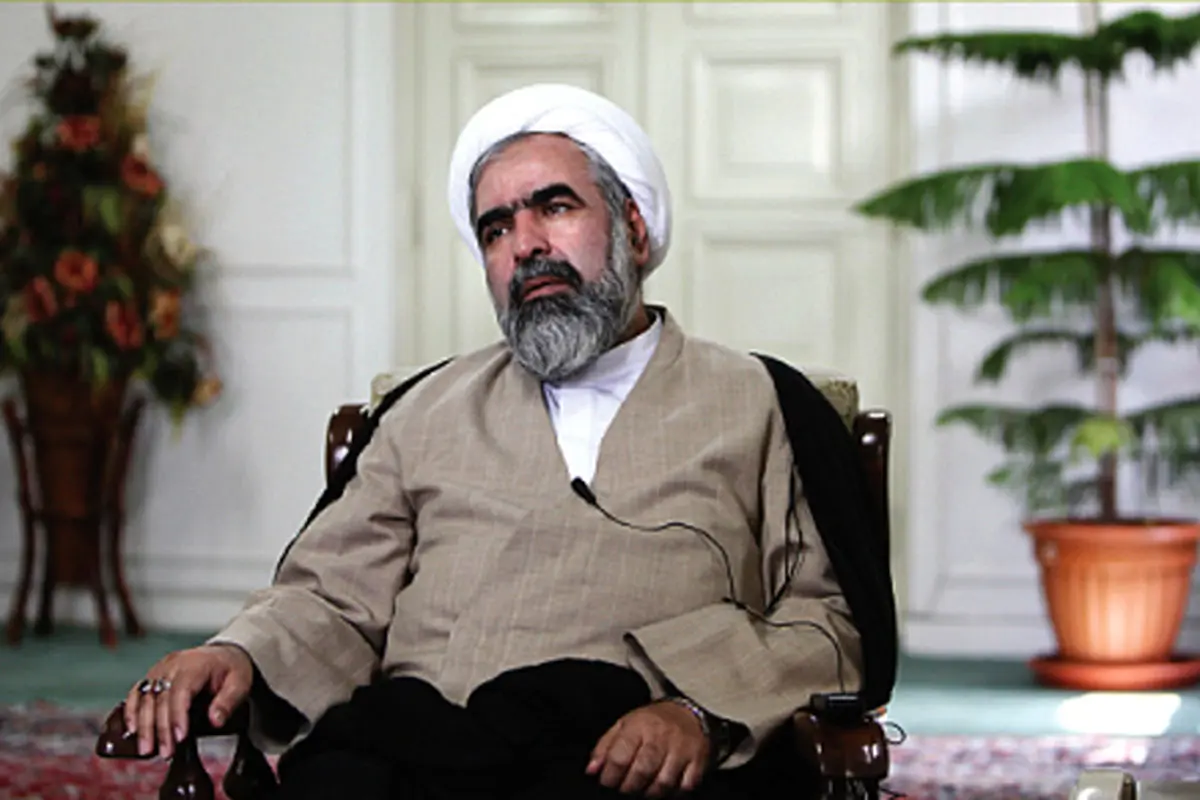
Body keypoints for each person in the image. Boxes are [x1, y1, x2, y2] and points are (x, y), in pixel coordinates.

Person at [122, 83, 873, 799]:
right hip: (422, 749)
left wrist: (698, 713)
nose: (525, 245)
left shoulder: (762, 403)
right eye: (496, 228)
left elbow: (825, 620)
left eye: (555, 207)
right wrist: (238, 651)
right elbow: (331, 597)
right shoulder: (423, 411)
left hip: (623, 760)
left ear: (634, 229)